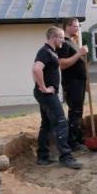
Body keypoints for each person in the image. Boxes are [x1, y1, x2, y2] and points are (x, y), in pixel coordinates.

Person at [32, 26, 82, 169]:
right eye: (60, 37)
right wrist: (43, 87)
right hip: (47, 95)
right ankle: (66, 156)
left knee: (47, 124)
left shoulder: (50, 52)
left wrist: (40, 86)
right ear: (53, 38)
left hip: (44, 94)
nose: (62, 40)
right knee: (61, 123)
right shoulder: (45, 52)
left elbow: (36, 70)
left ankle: (43, 156)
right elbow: (36, 69)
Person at [56, 17, 88, 151]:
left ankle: (77, 138)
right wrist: (79, 54)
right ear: (67, 27)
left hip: (79, 83)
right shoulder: (64, 44)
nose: (77, 29)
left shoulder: (73, 42)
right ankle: (73, 143)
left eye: (77, 26)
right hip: (72, 83)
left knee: (78, 112)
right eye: (75, 26)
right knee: (75, 112)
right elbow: (62, 64)